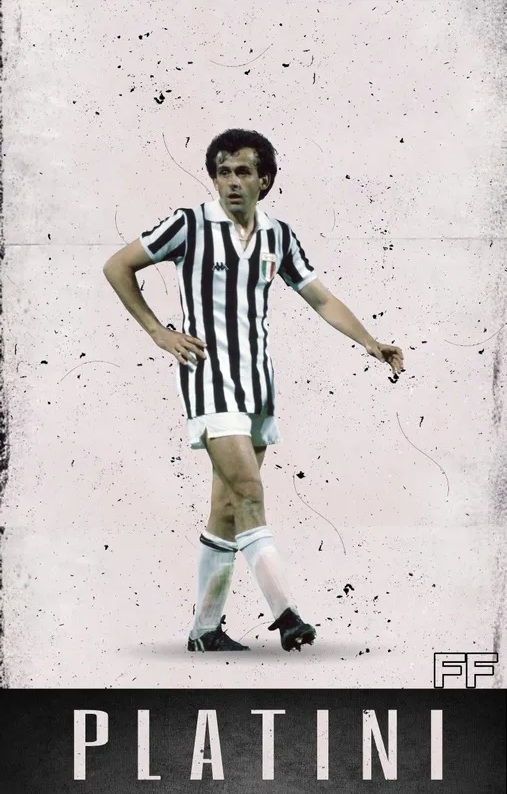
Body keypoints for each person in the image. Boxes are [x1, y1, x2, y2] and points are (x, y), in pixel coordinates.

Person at [103, 129, 404, 653]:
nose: (232, 182)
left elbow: (321, 298)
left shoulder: (278, 236)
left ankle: (204, 630)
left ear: (264, 180)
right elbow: (117, 266)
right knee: (249, 492)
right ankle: (287, 613)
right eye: (223, 172)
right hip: (210, 381)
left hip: (258, 386)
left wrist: (370, 342)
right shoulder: (189, 224)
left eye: (243, 172)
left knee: (226, 507)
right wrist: (158, 332)